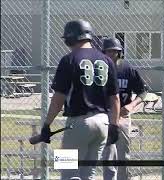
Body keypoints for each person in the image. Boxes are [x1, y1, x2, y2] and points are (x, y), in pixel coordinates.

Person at [39, 19, 120, 180]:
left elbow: (58, 99)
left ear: (71, 38)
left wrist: (47, 125)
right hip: (103, 123)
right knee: (87, 175)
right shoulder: (107, 60)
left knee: (67, 173)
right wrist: (114, 125)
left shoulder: (69, 59)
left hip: (79, 123)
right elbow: (115, 99)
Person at [101, 37, 148, 180]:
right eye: (108, 51)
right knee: (107, 154)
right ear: (103, 52)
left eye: (114, 52)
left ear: (120, 52)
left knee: (123, 154)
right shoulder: (98, 69)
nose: (111, 54)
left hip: (122, 116)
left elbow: (143, 91)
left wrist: (132, 105)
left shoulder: (127, 69)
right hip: (103, 116)